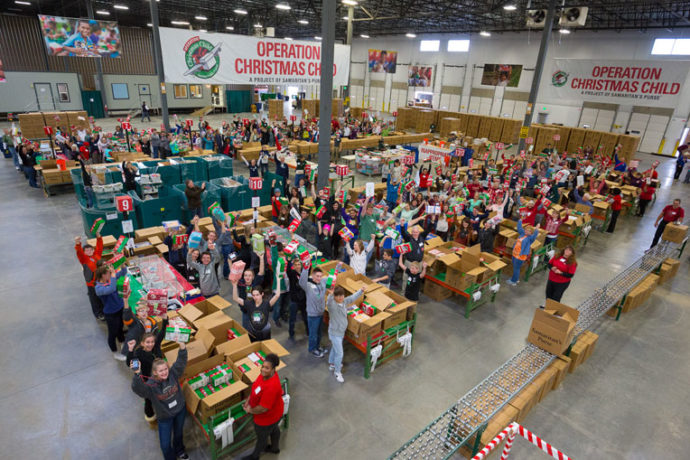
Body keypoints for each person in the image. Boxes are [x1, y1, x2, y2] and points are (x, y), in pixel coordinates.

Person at [131, 342, 189, 460]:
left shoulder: (173, 374)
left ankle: (180, 451)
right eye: (161, 371)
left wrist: (182, 346)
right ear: (155, 372)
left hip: (179, 411)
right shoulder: (151, 385)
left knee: (178, 434)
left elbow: (181, 361)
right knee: (165, 444)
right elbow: (139, 390)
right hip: (165, 417)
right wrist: (137, 374)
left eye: (165, 369)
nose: (164, 372)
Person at [242, 353, 284, 460]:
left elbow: (263, 408)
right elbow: (255, 387)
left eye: (267, 368)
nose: (263, 370)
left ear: (273, 369)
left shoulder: (272, 386)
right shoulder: (265, 375)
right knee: (274, 429)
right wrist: (248, 401)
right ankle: (275, 448)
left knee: (262, 437)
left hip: (268, 418)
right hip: (275, 414)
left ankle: (255, 456)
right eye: (263, 366)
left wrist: (250, 409)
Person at [125, 329, 167, 423]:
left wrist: (164, 320)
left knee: (160, 394)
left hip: (158, 378)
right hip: (147, 381)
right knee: (148, 399)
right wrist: (130, 349)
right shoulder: (139, 353)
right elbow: (129, 363)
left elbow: (161, 334)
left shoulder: (155, 348)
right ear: (142, 343)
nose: (150, 344)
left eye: (152, 342)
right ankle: (150, 415)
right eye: (147, 342)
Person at [326, 286, 364, 383]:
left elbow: (352, 298)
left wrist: (361, 290)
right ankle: (337, 372)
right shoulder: (332, 305)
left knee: (335, 348)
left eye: (342, 295)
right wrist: (330, 294)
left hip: (340, 332)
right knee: (340, 353)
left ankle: (332, 364)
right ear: (334, 297)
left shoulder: (343, 302)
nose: (340, 297)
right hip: (335, 333)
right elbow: (328, 302)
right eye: (338, 296)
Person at [94, 264, 128, 360]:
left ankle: (122, 341)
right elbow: (111, 289)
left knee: (120, 327)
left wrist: (122, 265)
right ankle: (115, 353)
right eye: (109, 273)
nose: (111, 274)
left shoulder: (110, 279)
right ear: (103, 275)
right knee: (112, 333)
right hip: (111, 313)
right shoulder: (98, 289)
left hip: (119, 308)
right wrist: (113, 275)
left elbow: (123, 272)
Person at [299, 265, 329, 358]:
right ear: (312, 275)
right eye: (317, 276)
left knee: (319, 333)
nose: (319, 278)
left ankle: (318, 346)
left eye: (320, 276)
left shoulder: (323, 282)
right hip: (313, 315)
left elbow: (331, 278)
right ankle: (312, 349)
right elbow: (301, 282)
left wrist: (337, 269)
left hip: (320, 313)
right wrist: (305, 268)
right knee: (313, 334)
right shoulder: (308, 285)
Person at [74, 234, 104, 320]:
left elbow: (100, 246)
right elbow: (79, 252)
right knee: (94, 299)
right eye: (87, 251)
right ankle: (98, 314)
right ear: (84, 252)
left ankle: (103, 311)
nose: (89, 251)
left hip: (101, 281)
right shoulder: (84, 259)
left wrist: (99, 237)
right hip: (91, 283)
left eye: (91, 250)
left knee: (101, 297)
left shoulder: (97, 255)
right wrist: (77, 243)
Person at [506, 220, 538, 286]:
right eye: (526, 230)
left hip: (520, 256)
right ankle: (515, 278)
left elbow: (535, 236)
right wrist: (520, 220)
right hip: (515, 253)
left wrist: (537, 229)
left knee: (516, 268)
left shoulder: (530, 238)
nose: (526, 231)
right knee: (515, 267)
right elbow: (519, 228)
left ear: (531, 232)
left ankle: (514, 281)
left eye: (529, 231)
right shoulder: (523, 234)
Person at [286, 259, 309, 341]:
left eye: (299, 264)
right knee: (292, 319)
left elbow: (309, 268)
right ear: (294, 266)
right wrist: (288, 261)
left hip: (303, 300)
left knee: (305, 317)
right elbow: (288, 270)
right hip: (294, 300)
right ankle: (291, 334)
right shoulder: (292, 274)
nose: (298, 266)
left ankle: (308, 332)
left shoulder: (304, 273)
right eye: (296, 265)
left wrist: (307, 260)